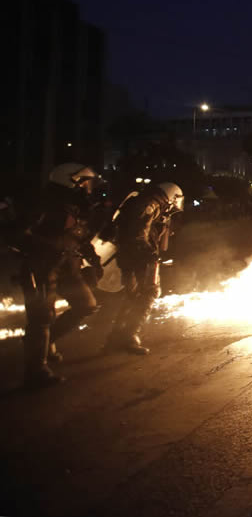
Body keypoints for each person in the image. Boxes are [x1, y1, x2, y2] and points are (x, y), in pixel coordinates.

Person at [19, 163, 103, 387]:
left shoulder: (76, 206)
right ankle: (35, 372)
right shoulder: (45, 204)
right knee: (41, 318)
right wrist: (47, 248)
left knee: (86, 304)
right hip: (42, 267)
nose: (89, 188)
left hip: (68, 267)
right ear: (71, 181)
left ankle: (47, 344)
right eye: (85, 182)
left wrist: (93, 260)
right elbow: (20, 234)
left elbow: (80, 237)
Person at [105, 182, 184, 355]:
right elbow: (138, 233)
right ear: (171, 196)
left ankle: (115, 338)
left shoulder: (149, 203)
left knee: (133, 296)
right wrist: (150, 254)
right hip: (139, 258)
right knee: (149, 292)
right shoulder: (151, 205)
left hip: (131, 256)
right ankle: (129, 336)